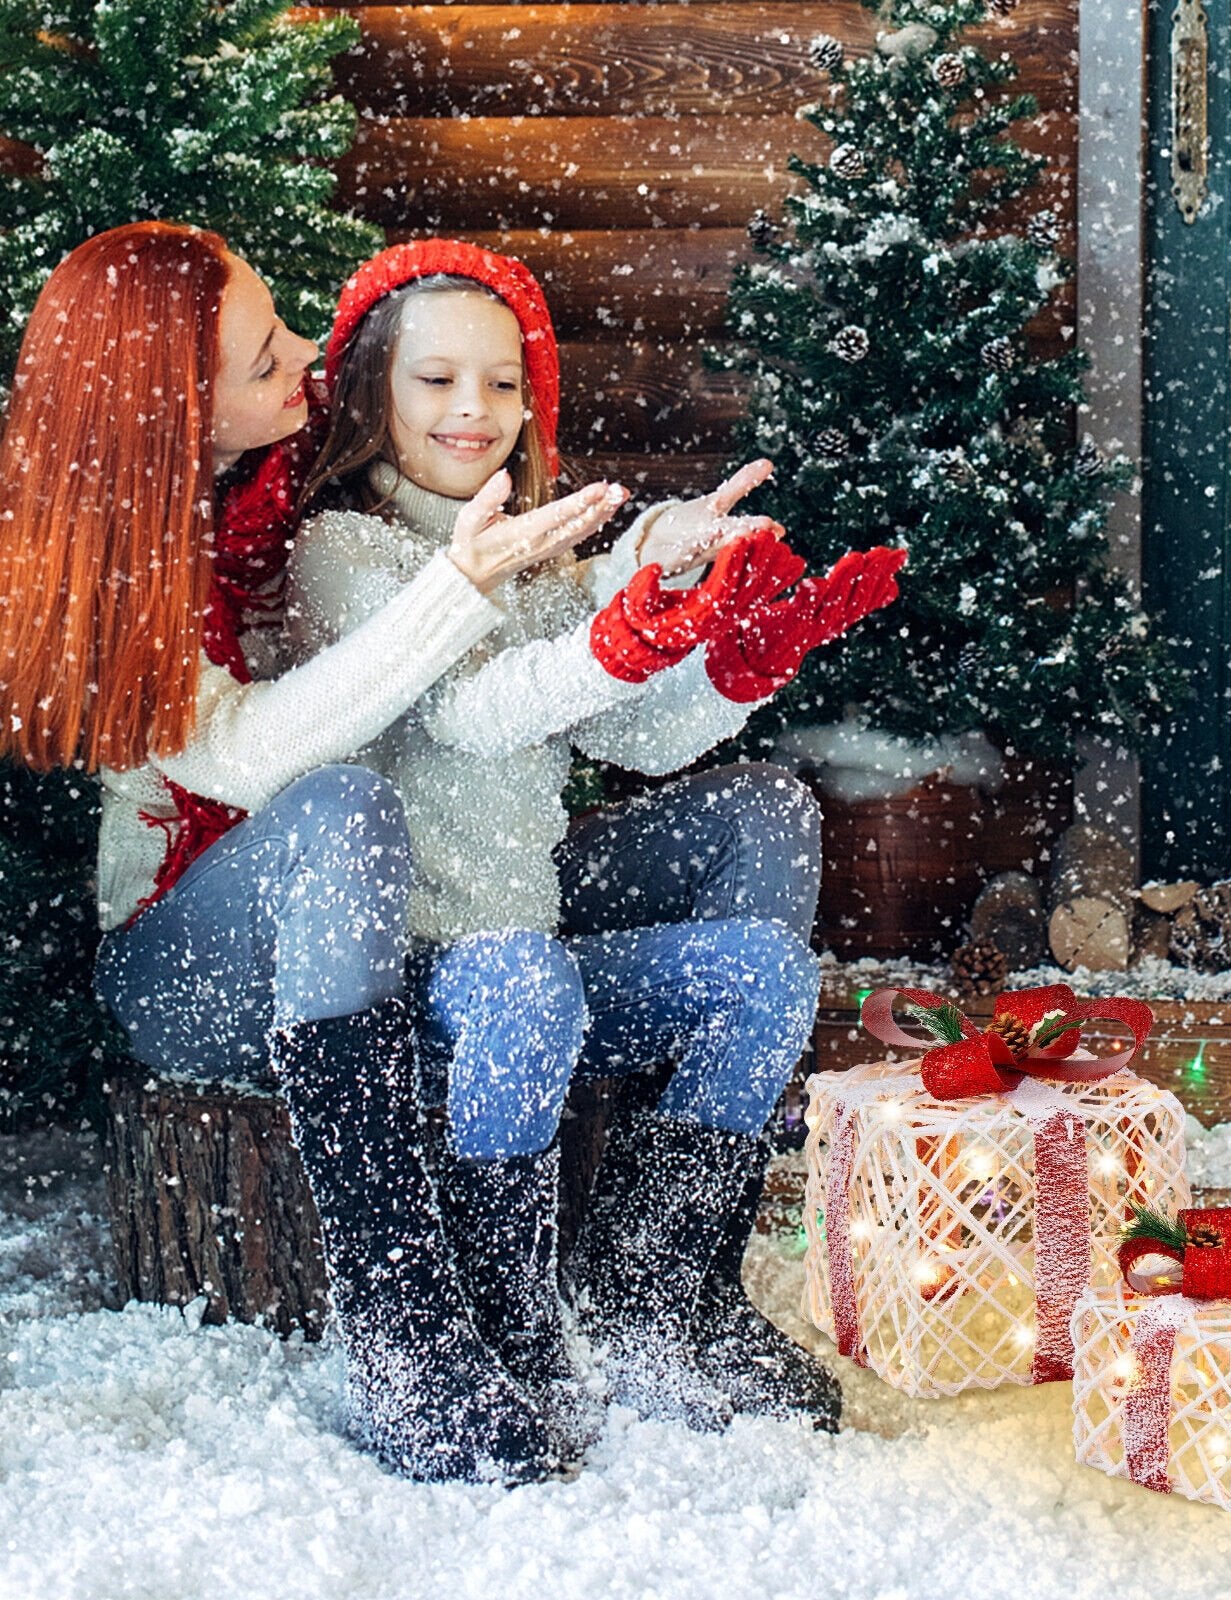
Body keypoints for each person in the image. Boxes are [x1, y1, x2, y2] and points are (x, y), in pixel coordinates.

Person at [0, 221, 704, 1485]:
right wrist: (463, 586)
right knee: (339, 810)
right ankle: (399, 1322)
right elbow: (257, 762)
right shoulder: (135, 557)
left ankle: (604, 1289)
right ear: (177, 404)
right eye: (268, 352)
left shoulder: (278, 493)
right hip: (186, 967)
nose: (309, 357)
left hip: (356, 935)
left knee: (375, 829)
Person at [288, 239, 905, 1434]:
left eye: (504, 383)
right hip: (411, 983)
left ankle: (654, 1284)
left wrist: (729, 657)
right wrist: (619, 622)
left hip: (527, 946)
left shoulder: (533, 556)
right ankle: (500, 1312)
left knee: (765, 967)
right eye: (437, 381)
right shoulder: (345, 553)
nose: (477, 410)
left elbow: (637, 740)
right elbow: (472, 712)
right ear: (370, 392)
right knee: (521, 974)